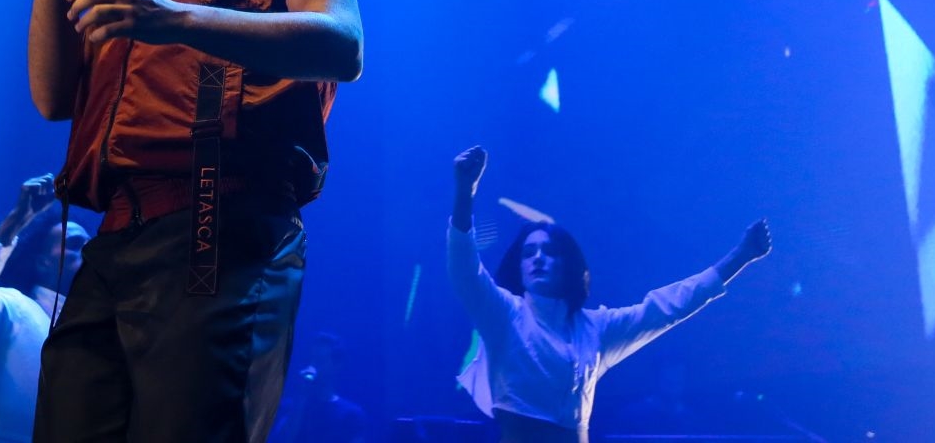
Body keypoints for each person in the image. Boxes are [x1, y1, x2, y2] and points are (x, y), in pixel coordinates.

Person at [24, 0, 364, 443]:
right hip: (113, 243)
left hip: (221, 222)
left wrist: (174, 19)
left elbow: (342, 45)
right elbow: (53, 99)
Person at [447, 145, 771, 443]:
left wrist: (740, 257)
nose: (538, 258)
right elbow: (465, 269)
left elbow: (667, 308)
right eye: (529, 253)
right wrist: (465, 191)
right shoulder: (506, 314)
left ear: (568, 264)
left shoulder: (594, 329)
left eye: (549, 251)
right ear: (518, 267)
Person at [0, 174, 90, 442]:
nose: (87, 252)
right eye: (73, 245)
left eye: (89, 245)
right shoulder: (11, 308)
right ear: (42, 263)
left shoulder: (102, 323)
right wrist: (17, 220)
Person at [270, 331, 372, 443]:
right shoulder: (289, 407)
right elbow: (284, 439)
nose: (312, 367)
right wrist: (300, 399)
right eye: (310, 360)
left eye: (319, 361)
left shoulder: (351, 414)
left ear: (337, 365)